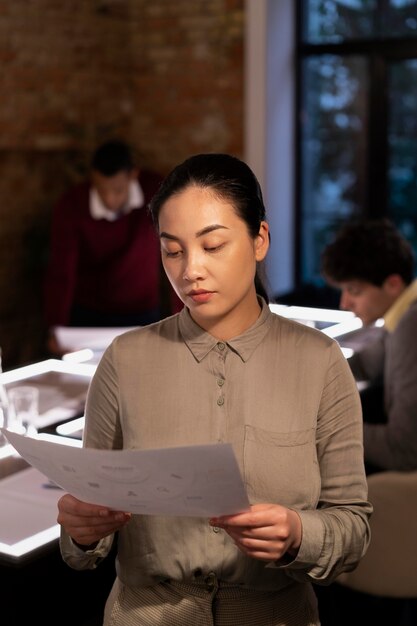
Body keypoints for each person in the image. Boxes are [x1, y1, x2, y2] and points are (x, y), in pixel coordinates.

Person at [57, 153, 372, 626]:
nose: (190, 271)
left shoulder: (319, 361)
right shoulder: (125, 359)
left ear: (259, 239)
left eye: (213, 245)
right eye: (173, 250)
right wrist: (81, 532)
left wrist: (297, 533)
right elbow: (85, 545)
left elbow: (353, 527)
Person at [43, 139, 182, 356]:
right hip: (88, 315)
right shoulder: (71, 205)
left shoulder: (157, 193)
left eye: (117, 190)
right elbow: (61, 271)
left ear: (133, 176)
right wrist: (56, 327)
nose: (109, 199)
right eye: (101, 190)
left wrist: (181, 318)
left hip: (142, 313)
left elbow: (176, 252)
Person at [321, 217, 417, 473]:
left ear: (393, 284)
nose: (344, 303)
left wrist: (324, 425)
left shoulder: (412, 325)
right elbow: (366, 362)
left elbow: (404, 449)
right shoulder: (402, 318)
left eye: (354, 290)